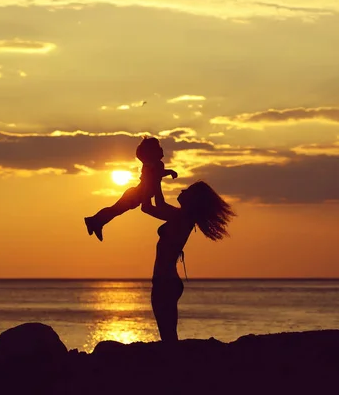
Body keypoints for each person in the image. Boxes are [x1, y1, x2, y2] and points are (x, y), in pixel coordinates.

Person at [141, 180, 235, 341]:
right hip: (166, 281)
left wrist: (152, 180)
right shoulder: (181, 216)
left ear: (193, 199)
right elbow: (149, 206)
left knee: (168, 335)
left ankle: (175, 364)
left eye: (188, 190)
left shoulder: (181, 217)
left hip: (165, 282)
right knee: (168, 333)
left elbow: (150, 207)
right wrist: (151, 181)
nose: (183, 190)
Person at [84, 137, 177, 241]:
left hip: (134, 195)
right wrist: (170, 172)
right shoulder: (154, 166)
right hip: (134, 196)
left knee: (115, 210)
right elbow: (155, 176)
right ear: (152, 152)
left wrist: (169, 172)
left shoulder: (153, 166)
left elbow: (156, 176)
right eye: (158, 148)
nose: (161, 150)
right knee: (115, 210)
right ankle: (94, 221)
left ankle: (96, 222)